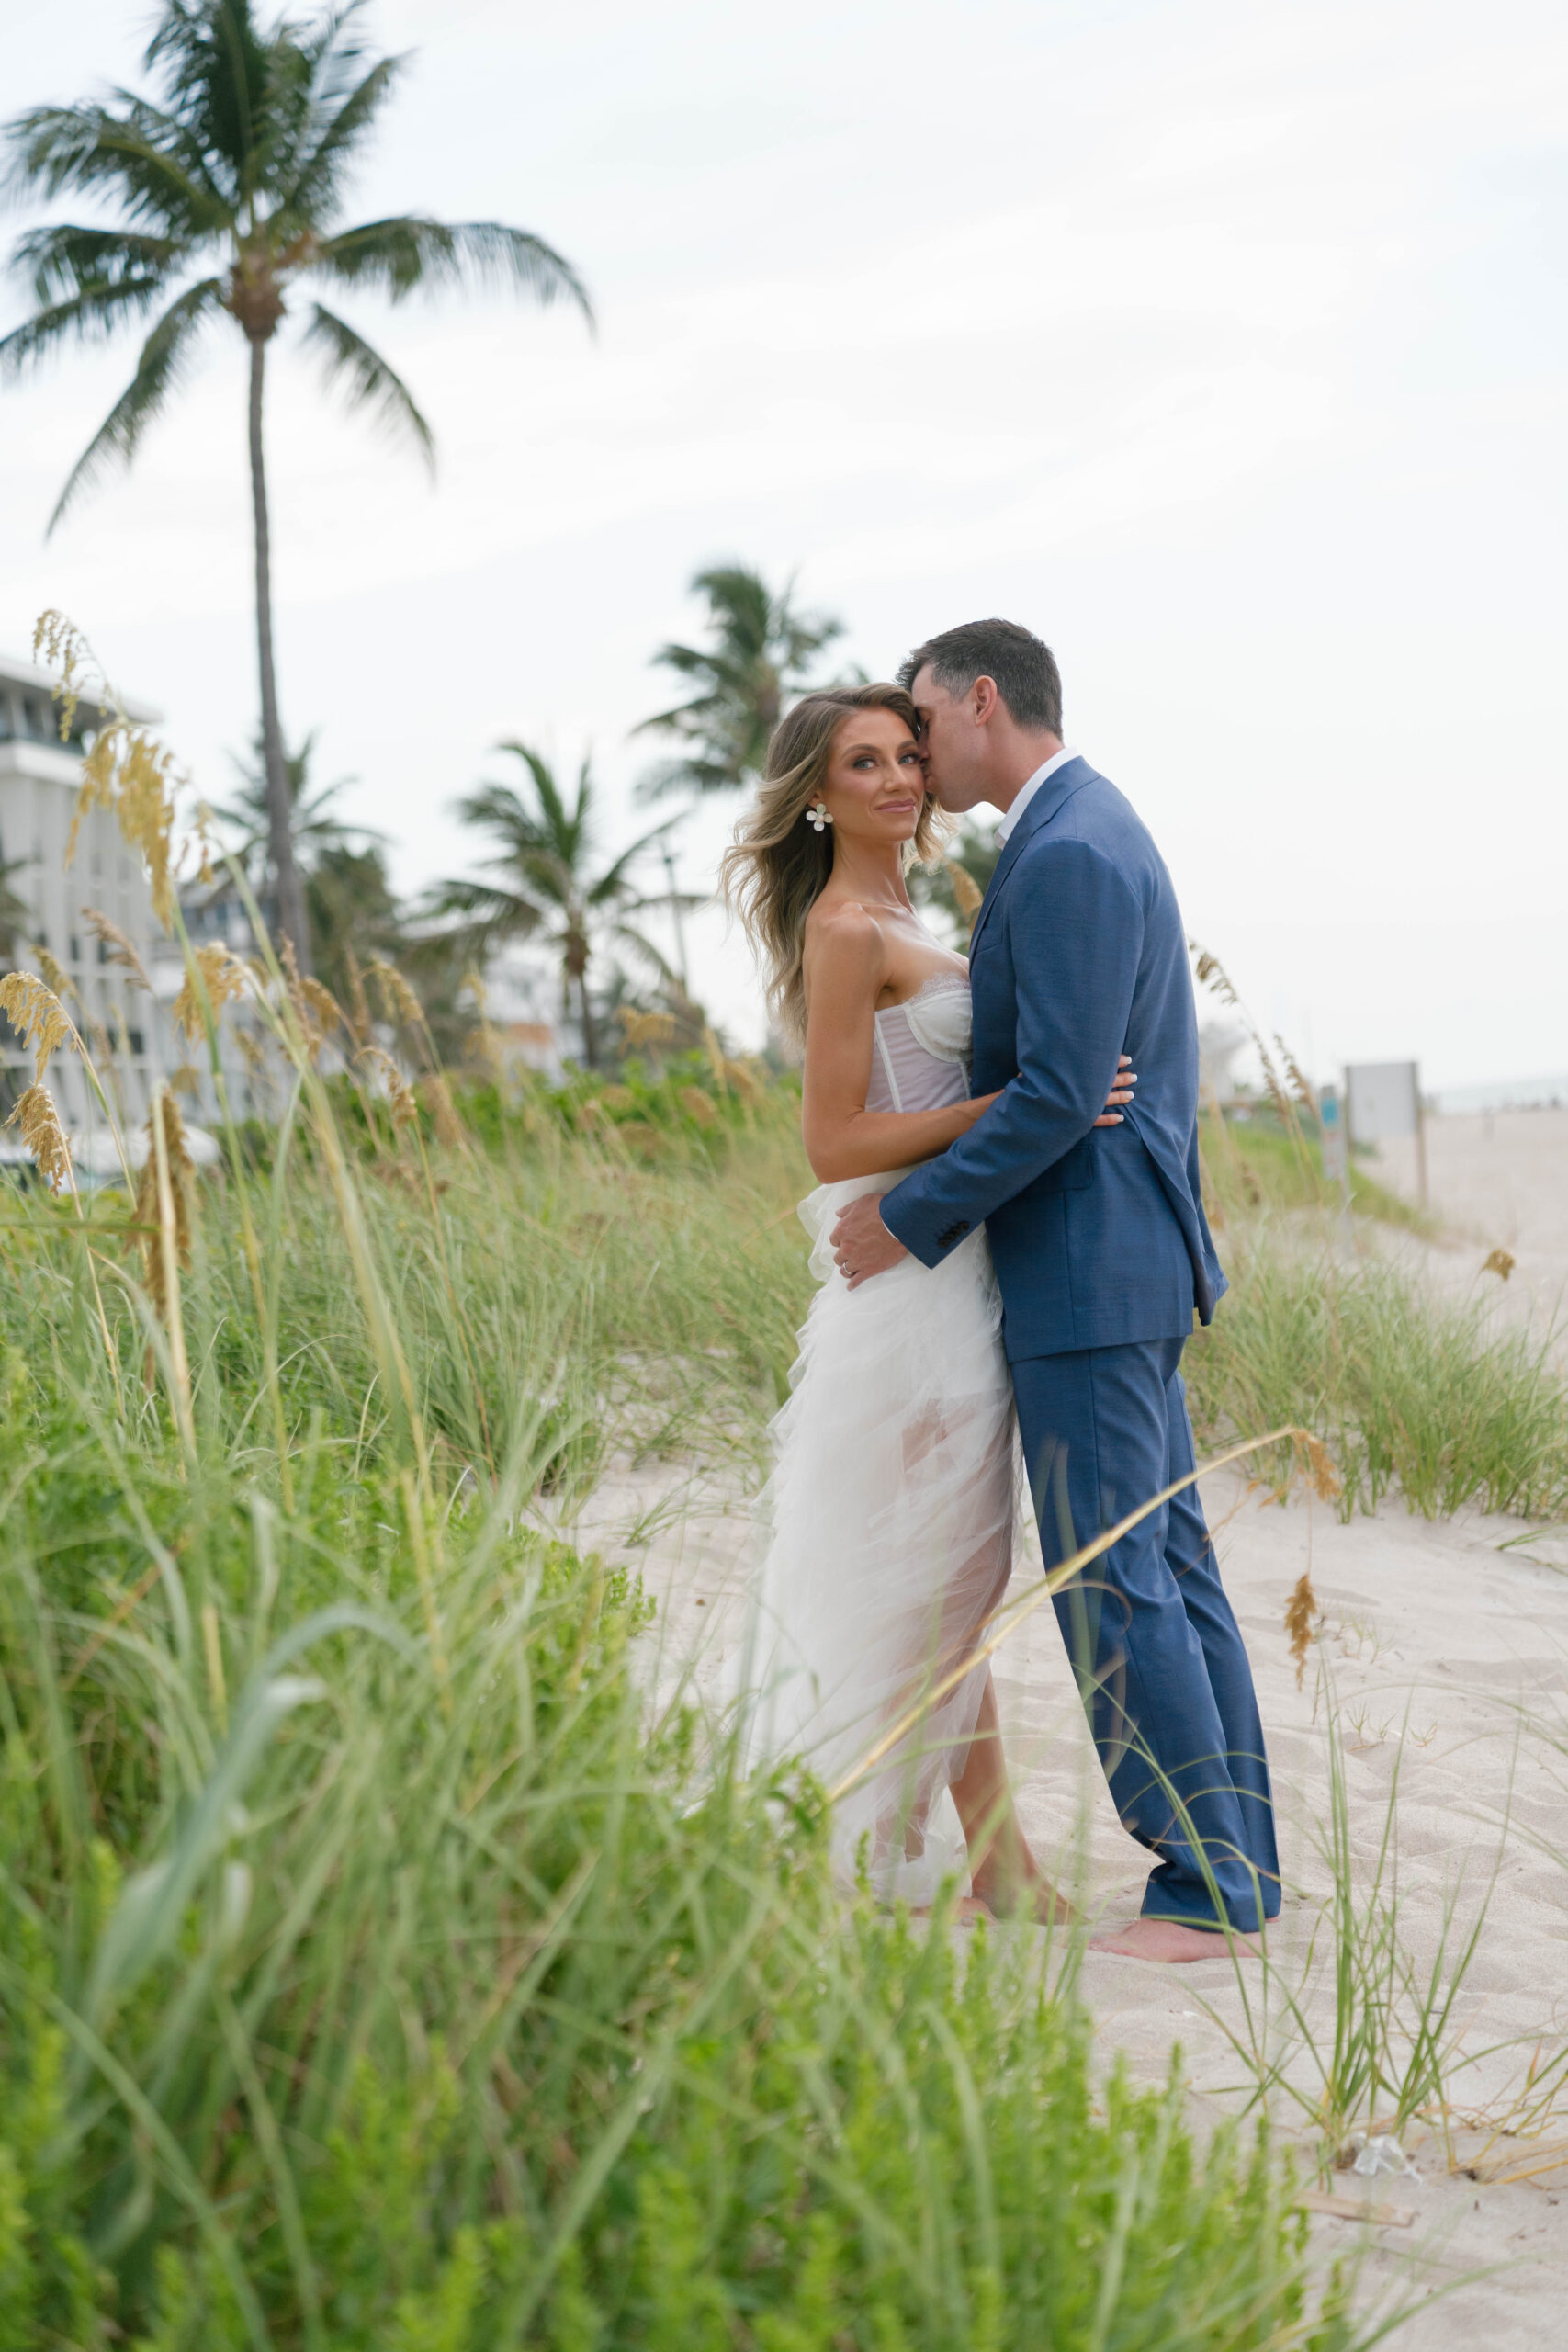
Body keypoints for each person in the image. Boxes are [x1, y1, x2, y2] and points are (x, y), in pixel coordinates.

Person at [829, 619, 1280, 1960]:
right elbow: (1065, 1086)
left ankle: (1204, 1886)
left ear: (983, 700)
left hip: (1087, 1266)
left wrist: (906, 1218)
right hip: (1117, 1258)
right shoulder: (1079, 829)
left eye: (923, 724)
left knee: (1114, 1578)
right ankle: (1238, 1864)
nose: (918, 755)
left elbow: (1063, 1092)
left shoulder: (1070, 847)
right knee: (1167, 1566)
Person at [722, 681, 1133, 1918]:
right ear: (815, 796)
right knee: (947, 1575)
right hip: (908, 1291)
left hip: (955, 1271)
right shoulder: (847, 928)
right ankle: (983, 1859)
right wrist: (1025, 1105)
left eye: (907, 754)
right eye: (864, 764)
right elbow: (834, 1141)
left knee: (946, 1574)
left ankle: (938, 1844)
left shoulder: (912, 909)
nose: (901, 778)